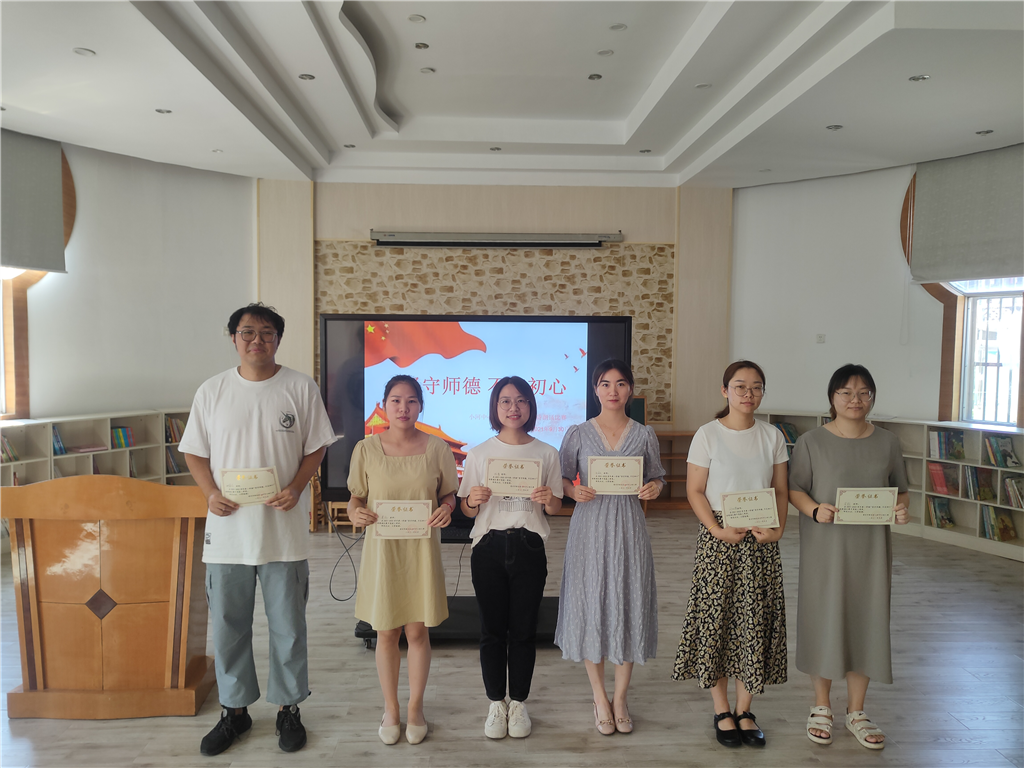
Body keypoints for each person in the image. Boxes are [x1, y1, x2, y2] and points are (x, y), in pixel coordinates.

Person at [180, 303, 336, 757]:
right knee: (228, 626)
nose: (257, 340)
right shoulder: (212, 391)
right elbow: (194, 452)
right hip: (227, 532)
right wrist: (210, 493)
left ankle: (289, 707)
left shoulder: (300, 387)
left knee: (289, 627)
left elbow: (317, 447)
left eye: (267, 333)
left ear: (278, 340)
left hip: (282, 531)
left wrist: (297, 487)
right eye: (247, 332)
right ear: (233, 338)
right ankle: (235, 711)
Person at [788, 364, 909, 750]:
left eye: (863, 393)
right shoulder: (811, 441)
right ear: (832, 397)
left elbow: (900, 490)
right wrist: (813, 510)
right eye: (846, 392)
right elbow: (795, 488)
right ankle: (821, 706)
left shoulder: (888, 442)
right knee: (823, 618)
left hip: (871, 550)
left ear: (872, 397)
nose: (855, 400)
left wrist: (901, 510)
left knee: (867, 619)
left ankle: (857, 711)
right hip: (825, 546)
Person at [671, 361, 789, 748]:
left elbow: (781, 490)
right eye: (740, 386)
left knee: (754, 620)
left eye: (756, 387)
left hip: (761, 538)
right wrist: (717, 529)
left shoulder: (772, 436)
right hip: (720, 536)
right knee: (717, 620)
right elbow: (694, 490)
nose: (748, 394)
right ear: (725, 391)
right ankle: (721, 709)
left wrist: (777, 530)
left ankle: (745, 709)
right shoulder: (708, 434)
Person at [347, 375, 458, 746]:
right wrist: (355, 512)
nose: (403, 408)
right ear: (384, 405)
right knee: (386, 631)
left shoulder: (437, 448)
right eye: (395, 400)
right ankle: (391, 708)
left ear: (421, 406)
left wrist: (446, 509)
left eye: (411, 401)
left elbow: (449, 495)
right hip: (383, 553)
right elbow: (356, 497)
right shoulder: (366, 448)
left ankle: (415, 708)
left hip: (420, 552)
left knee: (417, 632)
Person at [556, 359, 666, 735]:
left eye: (620, 384)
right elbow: (561, 478)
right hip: (589, 526)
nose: (613, 391)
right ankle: (599, 697)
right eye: (605, 384)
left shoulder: (644, 434)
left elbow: (657, 477)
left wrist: (654, 489)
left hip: (629, 527)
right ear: (595, 390)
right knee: (592, 604)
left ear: (630, 389)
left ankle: (620, 698)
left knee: (627, 600)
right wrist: (573, 490)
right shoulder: (578, 433)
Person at [458, 376, 563, 740]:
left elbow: (556, 507)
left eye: (521, 400)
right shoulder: (479, 453)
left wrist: (548, 498)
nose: (513, 407)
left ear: (531, 406)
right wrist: (472, 501)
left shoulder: (546, 453)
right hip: (488, 547)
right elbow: (467, 509)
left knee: (523, 630)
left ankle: (518, 701)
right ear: (495, 407)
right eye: (505, 401)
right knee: (491, 630)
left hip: (529, 546)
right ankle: (495, 702)